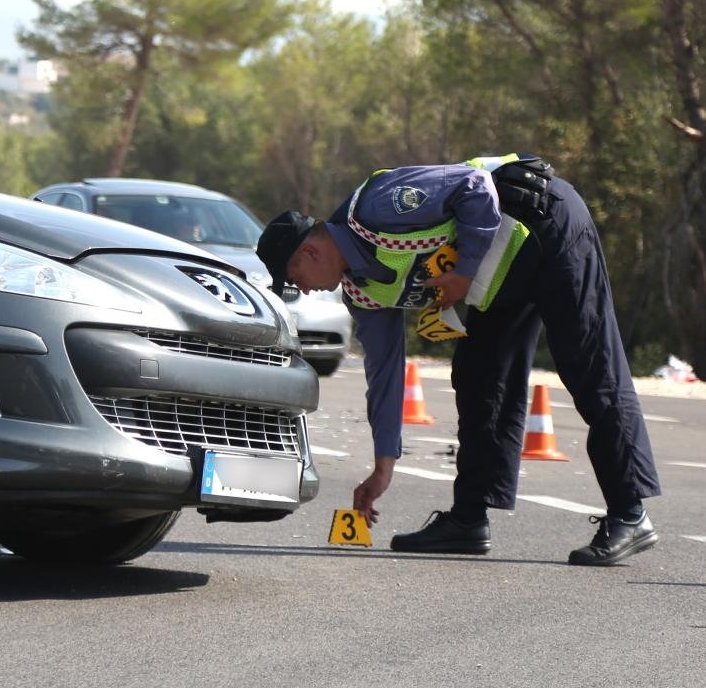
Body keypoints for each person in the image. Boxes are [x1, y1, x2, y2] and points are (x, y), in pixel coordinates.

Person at [256, 156, 661, 566]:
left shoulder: (377, 206)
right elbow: (385, 375)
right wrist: (383, 468)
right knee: (479, 377)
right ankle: (469, 520)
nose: (301, 291)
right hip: (502, 270)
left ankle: (630, 513)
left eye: (293, 280)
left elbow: (474, 187)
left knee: (590, 368)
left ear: (309, 251)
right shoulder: (362, 293)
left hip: (545, 224)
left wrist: (463, 274)